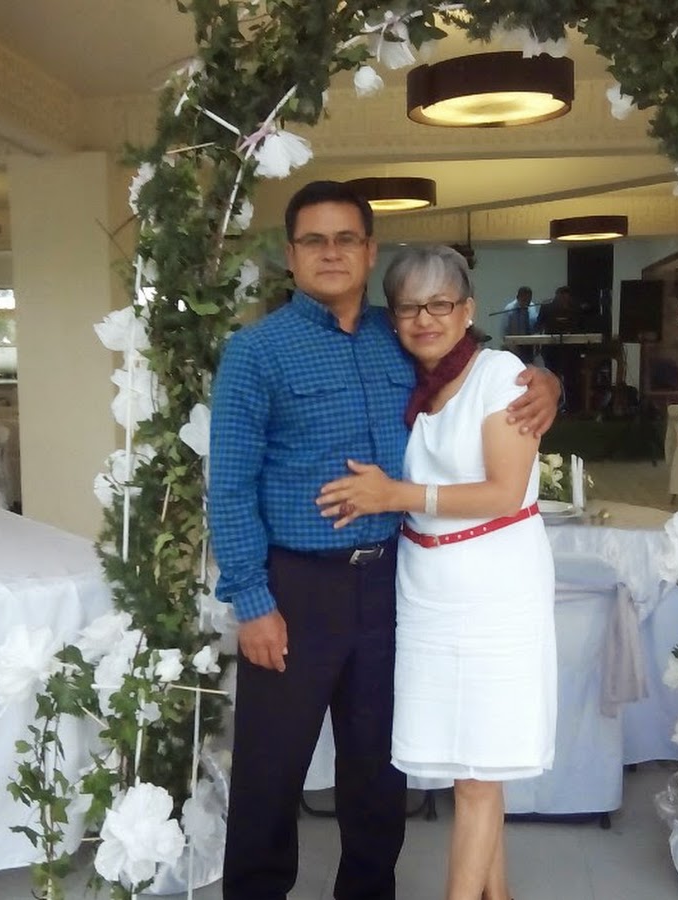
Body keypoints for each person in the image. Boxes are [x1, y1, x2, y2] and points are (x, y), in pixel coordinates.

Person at [208, 181, 560, 900]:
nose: (331, 252)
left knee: (377, 772)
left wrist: (548, 384)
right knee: (271, 770)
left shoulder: (398, 336)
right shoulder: (255, 352)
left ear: (370, 252)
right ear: (291, 255)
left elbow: (482, 375)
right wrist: (253, 601)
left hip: (391, 585)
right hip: (296, 588)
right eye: (314, 240)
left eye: (346, 238)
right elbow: (230, 486)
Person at [316, 245, 557, 900]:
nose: (425, 319)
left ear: (468, 309)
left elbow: (504, 491)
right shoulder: (411, 379)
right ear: (393, 316)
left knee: (478, 772)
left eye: (440, 303)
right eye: (409, 307)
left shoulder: (500, 375)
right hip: (425, 587)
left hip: (494, 587)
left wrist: (395, 495)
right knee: (469, 765)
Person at [495, 285, 539, 363]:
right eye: (524, 300)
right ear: (518, 297)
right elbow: (504, 331)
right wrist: (512, 348)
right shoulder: (509, 309)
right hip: (514, 346)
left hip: (529, 346)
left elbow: (535, 325)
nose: (527, 303)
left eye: (529, 300)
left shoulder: (532, 307)